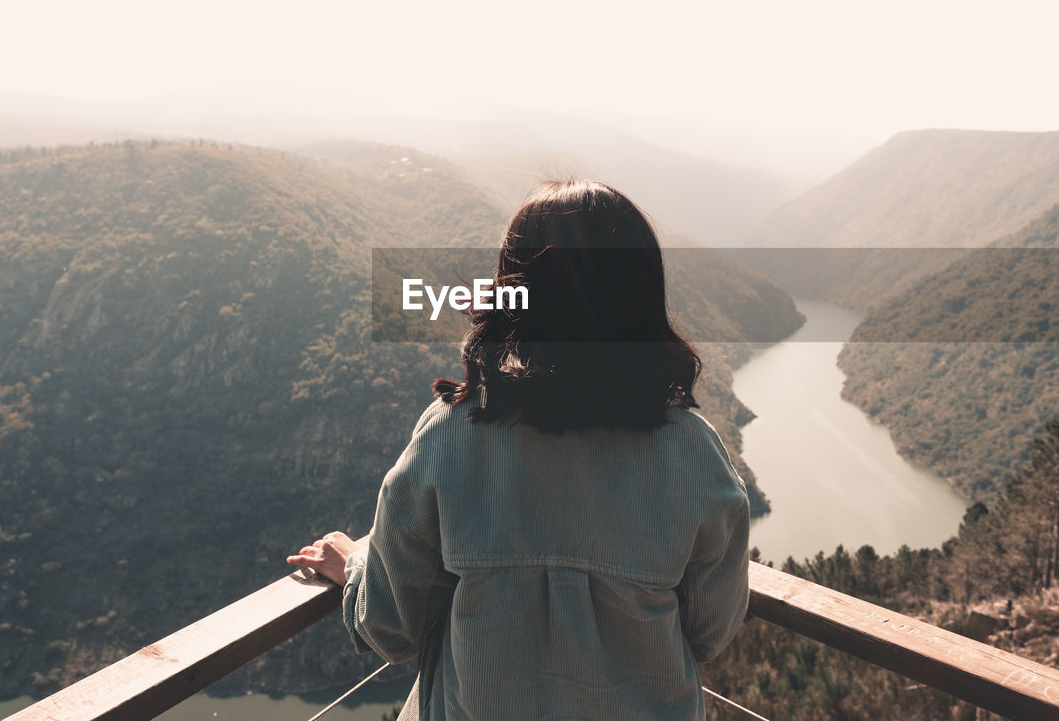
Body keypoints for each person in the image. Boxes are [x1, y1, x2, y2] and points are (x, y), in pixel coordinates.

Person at [289, 181, 750, 720]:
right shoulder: (695, 454)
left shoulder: (449, 436)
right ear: (642, 297)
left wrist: (355, 565)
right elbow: (710, 633)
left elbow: (390, 628)